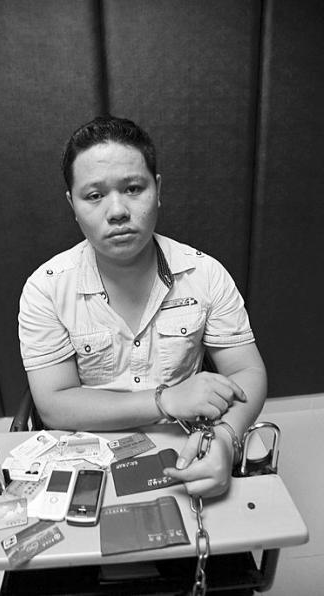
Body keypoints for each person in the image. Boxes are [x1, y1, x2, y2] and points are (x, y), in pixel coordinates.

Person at [18, 115, 267, 497]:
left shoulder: (204, 273)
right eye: (94, 195)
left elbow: (246, 369)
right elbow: (53, 404)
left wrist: (224, 438)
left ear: (158, 189)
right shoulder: (46, 288)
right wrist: (164, 400)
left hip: (186, 443)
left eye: (133, 188)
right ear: (73, 204)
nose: (117, 211)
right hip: (89, 453)